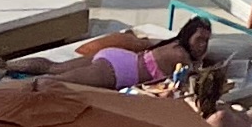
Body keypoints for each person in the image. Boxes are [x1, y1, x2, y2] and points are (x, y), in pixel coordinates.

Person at [28, 16, 215, 92]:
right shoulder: (182, 57)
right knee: (56, 81)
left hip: (117, 57)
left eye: (206, 41)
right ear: (188, 35)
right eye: (199, 39)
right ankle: (17, 87)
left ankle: (11, 66)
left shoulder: (172, 43)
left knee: (54, 68)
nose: (202, 45)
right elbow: (194, 85)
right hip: (118, 72)